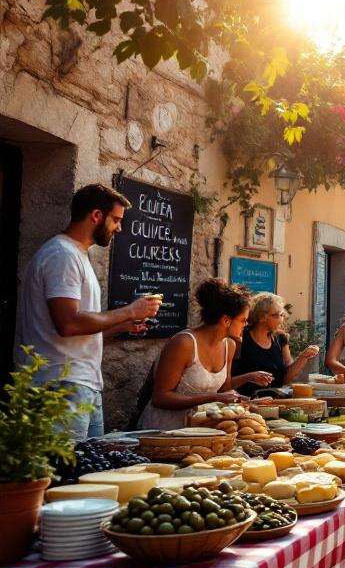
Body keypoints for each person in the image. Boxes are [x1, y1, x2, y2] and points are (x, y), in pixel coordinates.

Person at [16, 183, 161, 439]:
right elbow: (68, 323)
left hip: (81, 384)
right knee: (67, 474)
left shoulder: (77, 255)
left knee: (90, 472)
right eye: (116, 220)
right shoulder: (62, 255)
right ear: (96, 216)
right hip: (61, 385)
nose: (119, 228)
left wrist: (121, 326)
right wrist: (129, 311)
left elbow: (75, 331)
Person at [138, 280, 249, 430]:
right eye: (243, 320)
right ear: (226, 320)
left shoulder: (229, 345)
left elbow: (224, 389)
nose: (246, 325)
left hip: (201, 429)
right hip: (165, 429)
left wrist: (242, 400)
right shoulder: (184, 343)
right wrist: (212, 398)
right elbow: (160, 397)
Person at [230, 293, 320, 395]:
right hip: (245, 402)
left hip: (274, 402)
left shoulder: (280, 338)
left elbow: (286, 378)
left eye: (282, 315)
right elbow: (228, 383)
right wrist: (249, 377)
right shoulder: (241, 337)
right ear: (262, 317)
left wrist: (304, 357)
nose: (282, 320)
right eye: (278, 315)